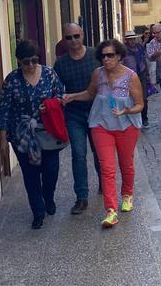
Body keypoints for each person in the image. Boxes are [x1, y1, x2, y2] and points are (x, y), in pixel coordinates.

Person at [62, 39, 144, 228]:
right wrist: (72, 96)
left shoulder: (130, 77)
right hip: (101, 124)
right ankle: (111, 210)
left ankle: (127, 194)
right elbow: (90, 93)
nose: (106, 59)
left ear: (120, 56)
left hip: (126, 126)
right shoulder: (97, 74)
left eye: (110, 55)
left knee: (126, 163)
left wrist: (127, 111)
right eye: (103, 56)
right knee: (107, 167)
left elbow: (140, 104)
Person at [0, 41, 66, 229]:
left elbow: (62, 96)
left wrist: (49, 105)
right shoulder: (12, 80)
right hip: (21, 135)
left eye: (34, 60)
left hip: (47, 131)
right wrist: (1, 139)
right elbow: (3, 110)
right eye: (26, 62)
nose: (31, 65)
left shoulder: (49, 74)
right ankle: (38, 212)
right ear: (19, 61)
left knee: (51, 170)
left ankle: (48, 197)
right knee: (30, 174)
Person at [53, 23, 101, 215]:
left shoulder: (95, 55)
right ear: (64, 40)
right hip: (74, 115)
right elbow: (56, 90)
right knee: (79, 155)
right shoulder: (61, 63)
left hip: (97, 112)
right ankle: (81, 197)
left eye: (76, 36)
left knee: (99, 152)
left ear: (82, 35)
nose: (73, 41)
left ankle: (105, 184)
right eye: (68, 38)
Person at [121, 30, 149, 128]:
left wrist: (147, 73)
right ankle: (135, 119)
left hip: (141, 74)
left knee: (144, 98)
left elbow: (144, 60)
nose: (132, 41)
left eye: (133, 39)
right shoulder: (123, 51)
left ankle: (145, 118)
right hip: (130, 77)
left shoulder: (140, 48)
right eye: (129, 40)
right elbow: (121, 63)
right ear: (126, 40)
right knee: (132, 98)